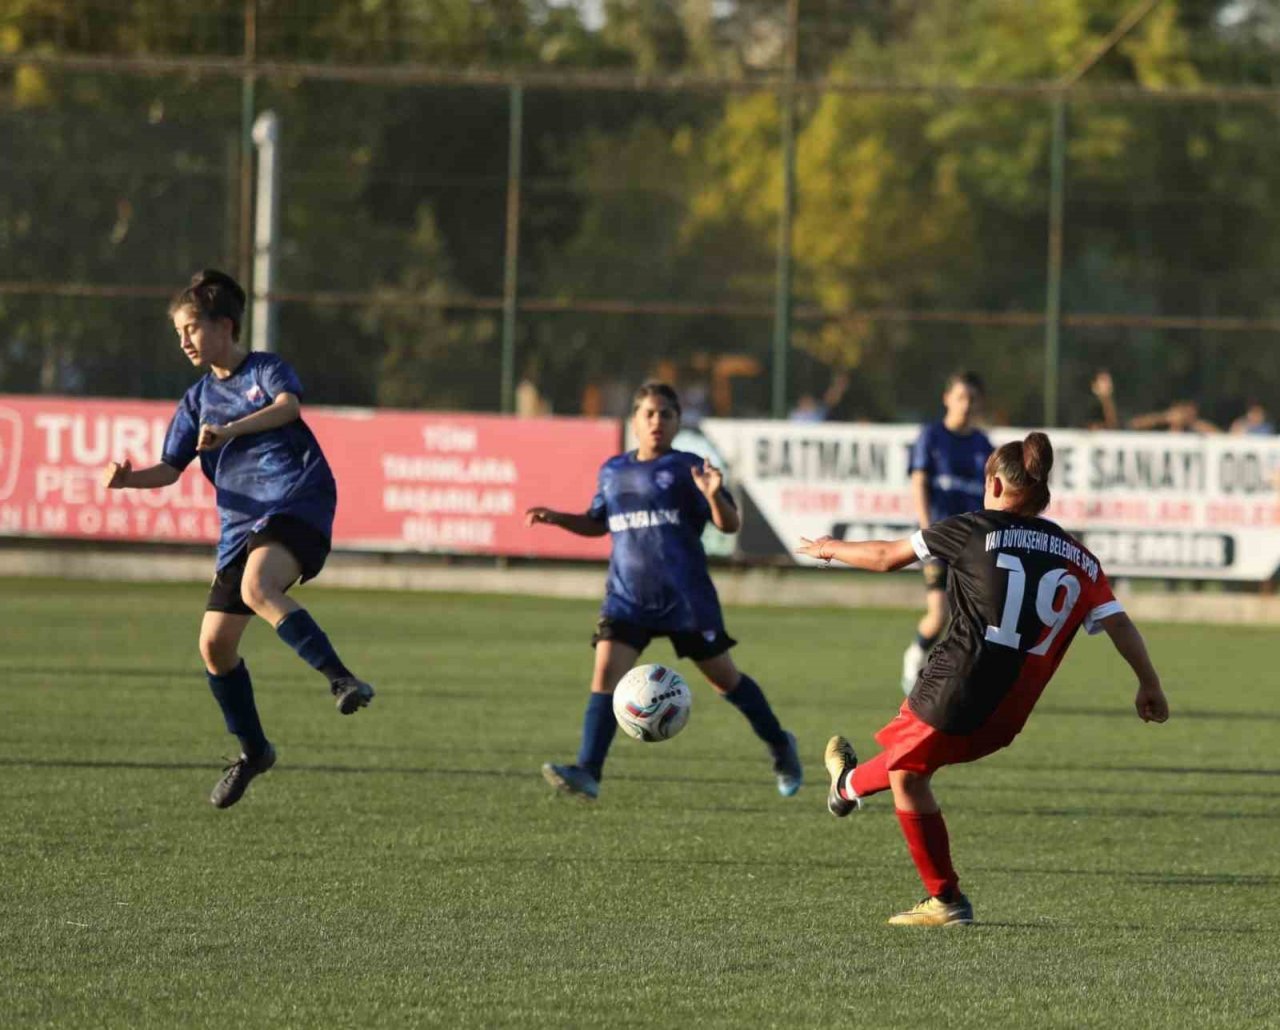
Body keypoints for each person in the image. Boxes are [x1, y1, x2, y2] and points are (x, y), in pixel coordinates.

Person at [797, 431, 1168, 927]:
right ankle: (846, 788)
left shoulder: (971, 530)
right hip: (1008, 717)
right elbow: (1118, 622)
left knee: (908, 777)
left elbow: (887, 557)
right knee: (913, 761)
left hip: (956, 688)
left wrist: (827, 548)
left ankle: (945, 898)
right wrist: (1149, 684)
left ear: (993, 482)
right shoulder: (1079, 556)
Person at [101, 270, 374, 809]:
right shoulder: (196, 399)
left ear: (224, 325)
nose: (183, 341)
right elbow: (171, 468)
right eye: (179, 332)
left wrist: (230, 430)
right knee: (214, 646)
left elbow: (288, 407)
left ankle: (341, 679)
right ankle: (254, 752)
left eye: (192, 329)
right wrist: (130, 479)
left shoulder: (265, 370)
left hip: (297, 501)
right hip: (241, 524)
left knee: (257, 587)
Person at [526, 381, 802, 801]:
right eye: (649, 414)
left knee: (724, 680)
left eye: (666, 414)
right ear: (634, 421)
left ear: (677, 423)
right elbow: (597, 521)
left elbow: (729, 525)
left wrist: (714, 497)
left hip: (686, 599)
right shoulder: (614, 471)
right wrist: (558, 519)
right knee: (605, 674)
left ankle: (781, 745)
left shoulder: (689, 469)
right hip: (627, 597)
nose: (657, 421)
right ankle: (588, 771)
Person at [901, 372, 994, 694]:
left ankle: (957, 681)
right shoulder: (932, 436)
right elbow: (918, 482)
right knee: (939, 613)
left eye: (971, 398)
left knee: (971, 620)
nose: (966, 405)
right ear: (947, 398)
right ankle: (914, 656)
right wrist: (927, 531)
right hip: (939, 538)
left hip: (972, 543)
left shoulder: (983, 445)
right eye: (960, 397)